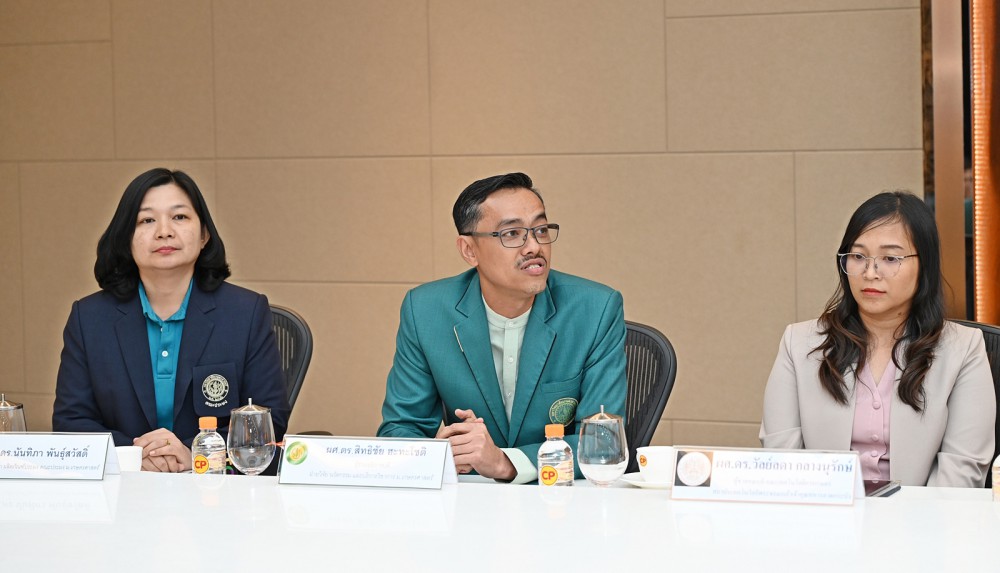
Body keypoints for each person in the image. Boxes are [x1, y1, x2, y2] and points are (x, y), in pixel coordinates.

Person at [377, 172, 627, 483]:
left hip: (560, 499)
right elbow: (400, 429)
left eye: (540, 230)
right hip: (469, 501)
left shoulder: (595, 310)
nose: (533, 247)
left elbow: (603, 444)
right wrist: (437, 454)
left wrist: (506, 463)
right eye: (511, 234)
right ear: (469, 250)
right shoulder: (425, 311)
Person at [53, 168, 289, 472]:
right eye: (146, 220)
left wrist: (196, 453)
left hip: (214, 488)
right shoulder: (89, 319)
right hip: (124, 489)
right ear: (125, 238)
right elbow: (71, 422)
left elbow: (268, 422)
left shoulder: (246, 312)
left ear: (204, 235)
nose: (164, 231)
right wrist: (136, 455)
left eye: (179, 217)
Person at [759, 191, 995, 487]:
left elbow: (961, 472)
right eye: (858, 256)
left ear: (925, 265)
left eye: (890, 258)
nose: (870, 273)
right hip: (823, 512)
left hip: (925, 514)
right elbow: (781, 461)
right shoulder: (799, 343)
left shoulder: (964, 349)